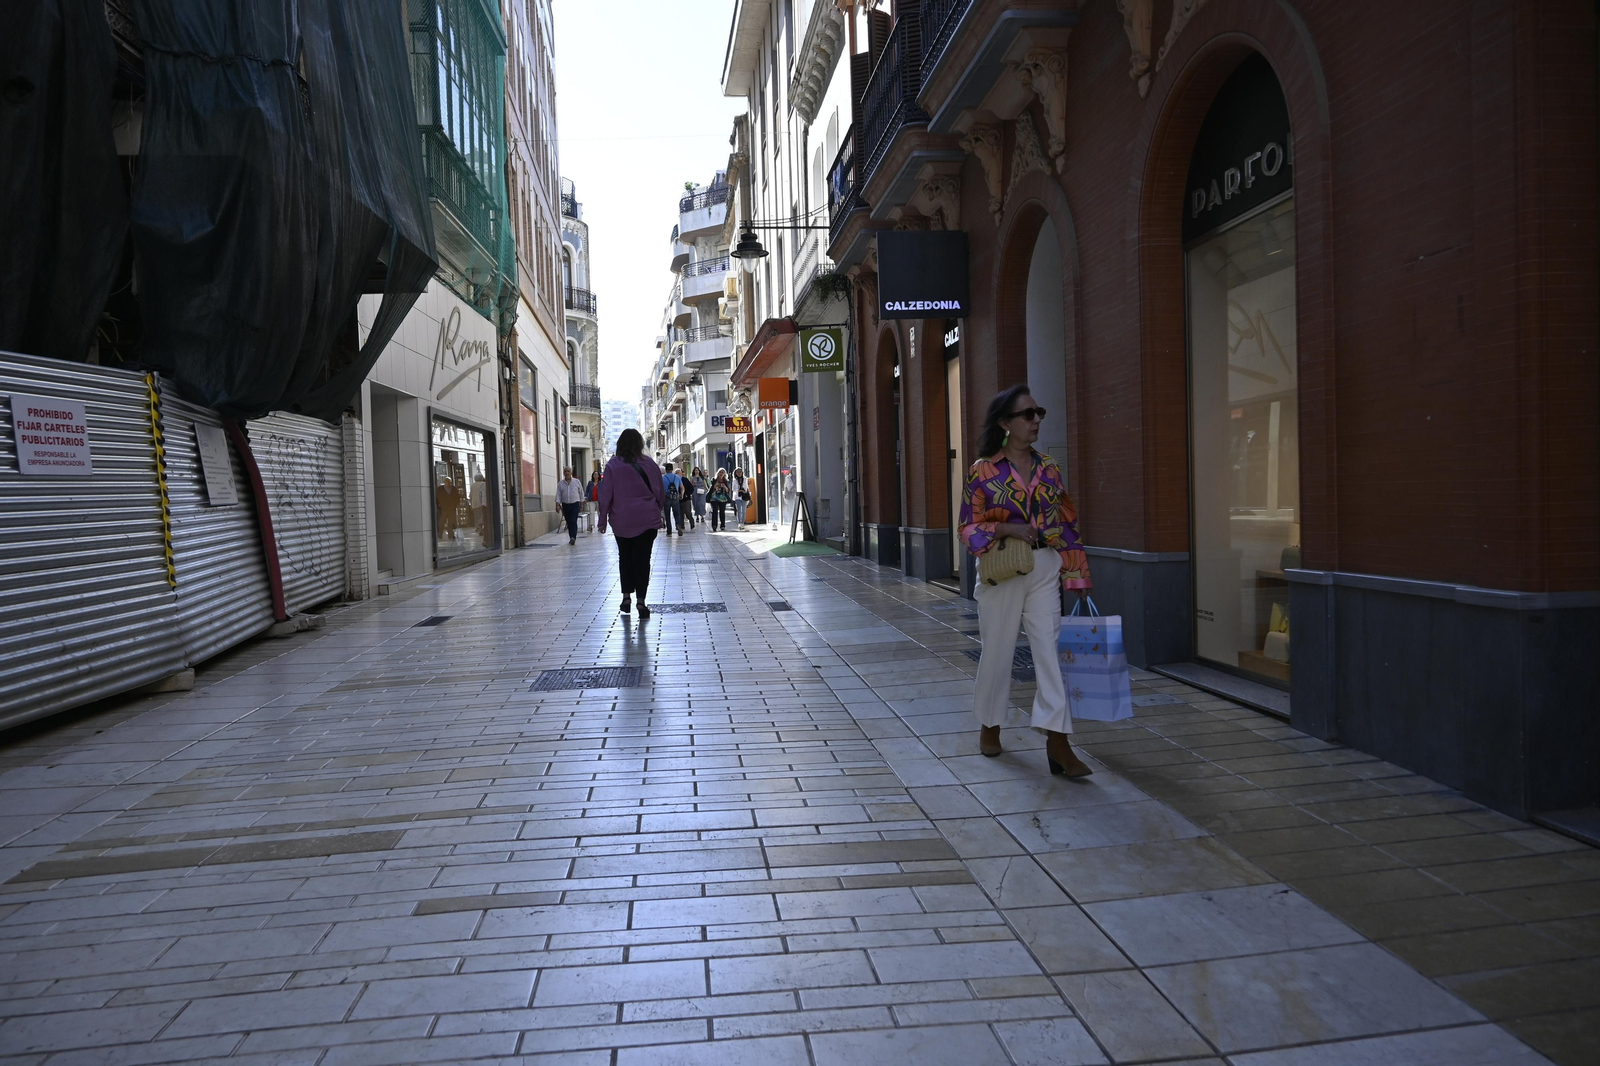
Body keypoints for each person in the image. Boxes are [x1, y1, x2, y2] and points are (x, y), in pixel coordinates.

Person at [960, 384, 1094, 778]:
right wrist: (1007, 530)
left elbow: (1067, 522)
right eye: (1027, 414)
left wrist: (1078, 573)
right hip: (1003, 571)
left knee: (1051, 653)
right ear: (1005, 423)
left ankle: (1057, 740)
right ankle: (990, 724)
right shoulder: (982, 470)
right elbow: (967, 527)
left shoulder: (1049, 468)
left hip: (1046, 567)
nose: (1036, 420)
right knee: (998, 651)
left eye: (1039, 413)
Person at [598, 429, 664, 619]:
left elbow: (606, 495)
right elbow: (659, 490)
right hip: (646, 518)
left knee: (625, 557)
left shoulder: (612, 466)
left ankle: (626, 597)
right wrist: (657, 509)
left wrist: (602, 519)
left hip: (622, 520)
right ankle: (641, 601)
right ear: (639, 443)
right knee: (643, 560)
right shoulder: (649, 464)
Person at [556, 466, 584, 545]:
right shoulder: (560, 484)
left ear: (571, 472)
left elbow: (581, 493)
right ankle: (571, 536)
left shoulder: (577, 482)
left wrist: (581, 505)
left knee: (573, 520)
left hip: (575, 504)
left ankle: (573, 537)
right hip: (565, 505)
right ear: (563, 473)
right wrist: (557, 505)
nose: (567, 473)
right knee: (568, 521)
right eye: (565, 471)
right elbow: (558, 495)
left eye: (568, 471)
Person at [660, 462, 683, 536]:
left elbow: (660, 489)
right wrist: (681, 494)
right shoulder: (677, 477)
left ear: (666, 470)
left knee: (667, 514)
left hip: (666, 497)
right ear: (672, 469)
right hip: (676, 497)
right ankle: (678, 524)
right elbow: (682, 487)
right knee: (676, 513)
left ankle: (669, 530)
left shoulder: (662, 478)